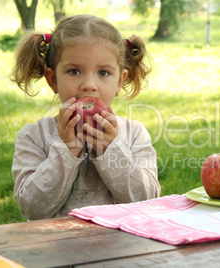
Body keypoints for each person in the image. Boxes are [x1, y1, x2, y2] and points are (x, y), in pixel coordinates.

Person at [10, 14, 160, 220]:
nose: (89, 84)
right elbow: (32, 208)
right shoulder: (33, 137)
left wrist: (112, 149)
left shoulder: (134, 135)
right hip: (56, 250)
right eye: (74, 71)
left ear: (119, 81)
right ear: (53, 80)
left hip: (121, 248)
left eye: (103, 73)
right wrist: (67, 150)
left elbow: (146, 201)